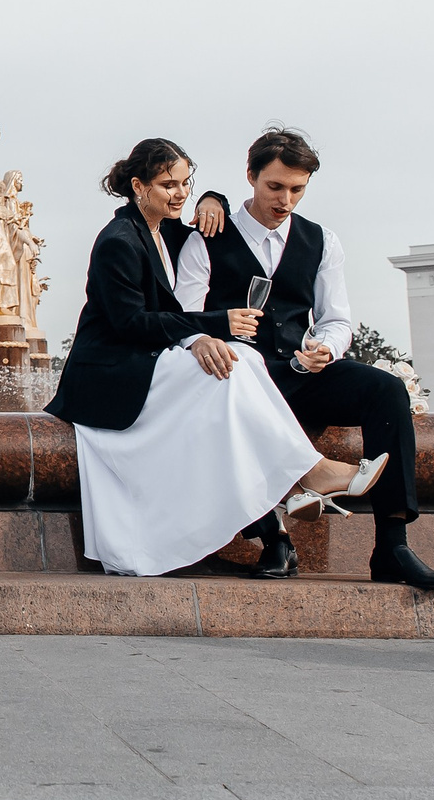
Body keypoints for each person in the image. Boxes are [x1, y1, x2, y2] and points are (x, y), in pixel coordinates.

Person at [42, 138, 385, 578]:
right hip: (111, 372)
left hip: (148, 359)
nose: (180, 193)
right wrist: (212, 326)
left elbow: (213, 215)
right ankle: (310, 473)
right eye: (168, 185)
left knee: (240, 360)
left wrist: (212, 198)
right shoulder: (118, 241)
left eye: (186, 182)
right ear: (138, 186)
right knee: (230, 369)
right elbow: (130, 323)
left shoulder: (167, 230)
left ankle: (293, 497)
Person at [181, 127, 434, 591]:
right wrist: (213, 335)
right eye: (275, 186)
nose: (285, 200)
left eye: (297, 189)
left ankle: (392, 545)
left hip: (299, 372)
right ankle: (274, 539)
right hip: (236, 378)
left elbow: (337, 319)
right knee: (227, 399)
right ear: (251, 176)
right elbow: (184, 318)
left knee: (386, 391)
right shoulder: (206, 237)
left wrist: (325, 347)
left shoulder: (322, 240)